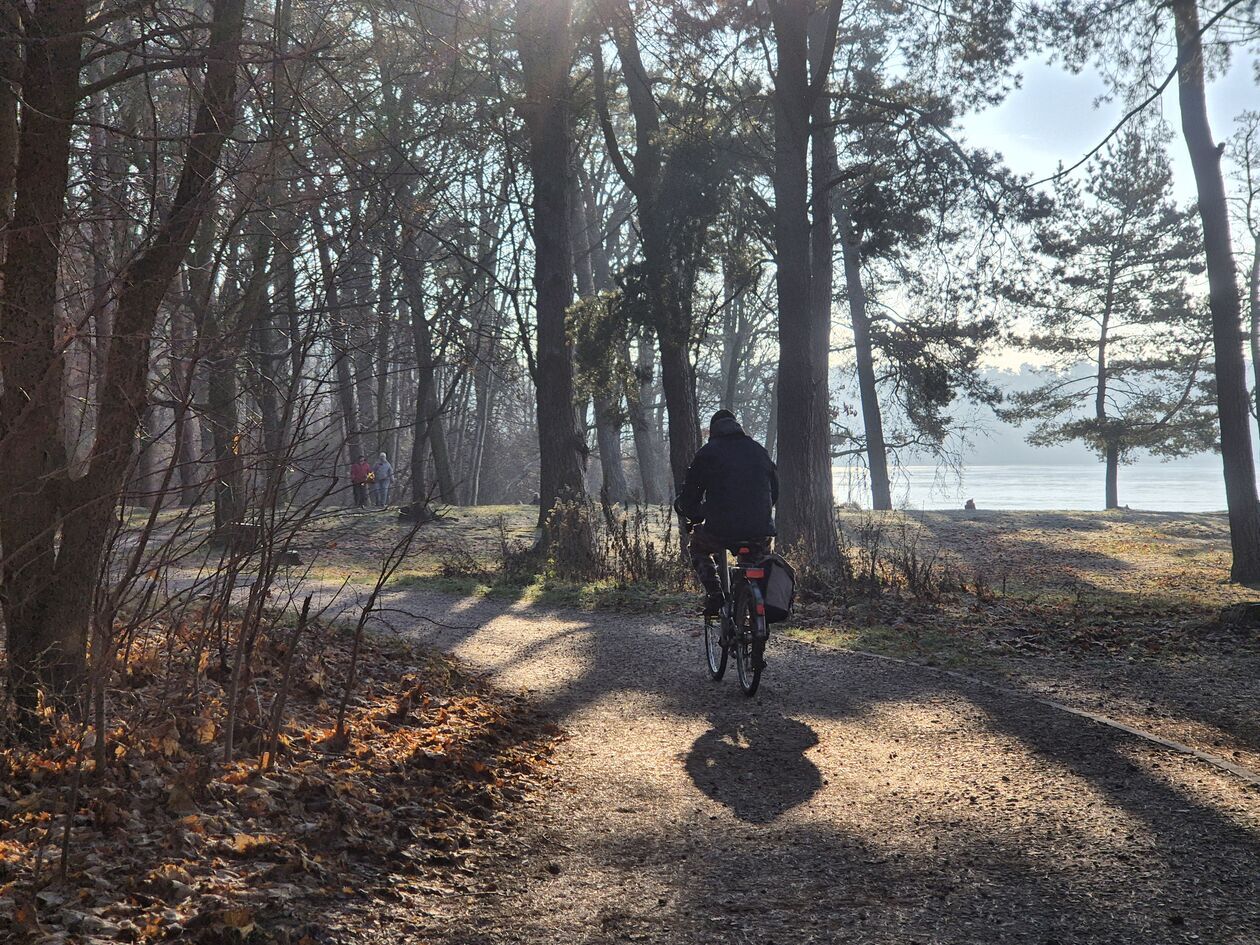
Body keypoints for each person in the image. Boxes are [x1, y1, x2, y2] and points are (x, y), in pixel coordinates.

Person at [674, 409, 778, 616]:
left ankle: (714, 593)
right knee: (759, 558)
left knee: (698, 546)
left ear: (713, 431)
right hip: (758, 528)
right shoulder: (758, 450)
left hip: (720, 528)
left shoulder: (707, 453)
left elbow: (690, 494)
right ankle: (758, 604)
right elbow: (774, 490)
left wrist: (693, 514)